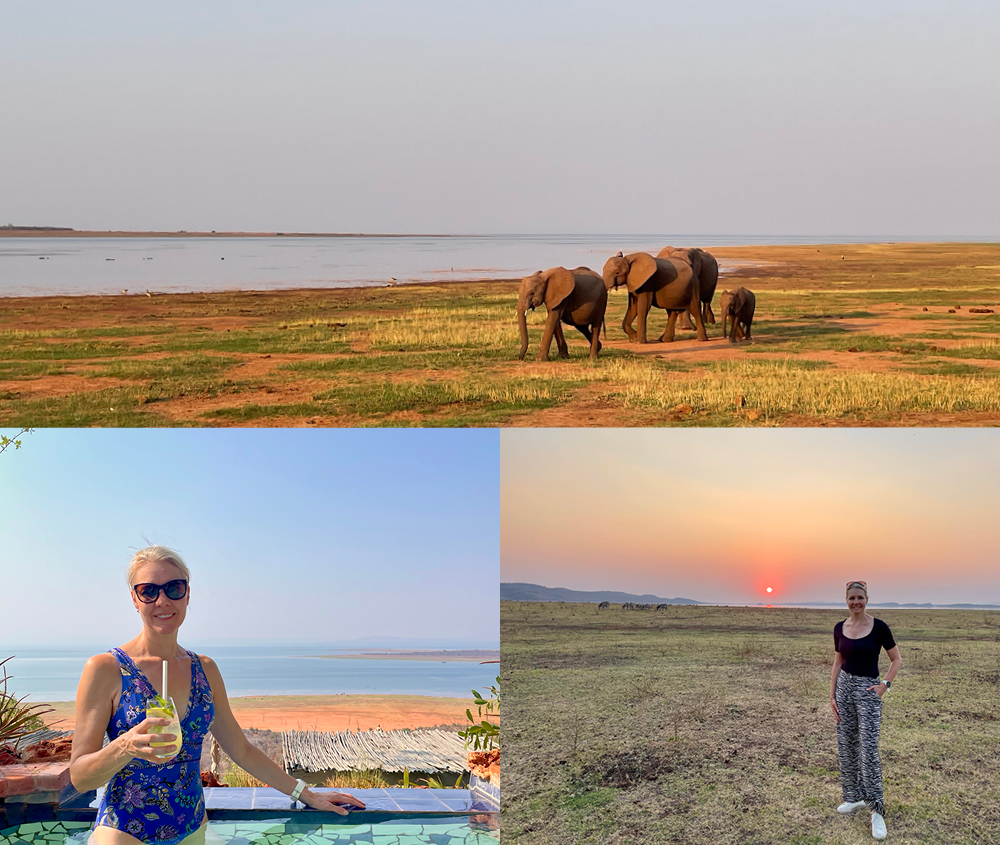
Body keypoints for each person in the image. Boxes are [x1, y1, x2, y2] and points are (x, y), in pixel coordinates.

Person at [70, 546, 365, 845]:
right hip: (123, 833)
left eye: (174, 588)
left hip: (193, 829)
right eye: (148, 591)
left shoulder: (204, 669)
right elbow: (80, 776)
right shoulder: (106, 668)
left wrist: (306, 794)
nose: (162, 600)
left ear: (187, 594)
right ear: (135, 599)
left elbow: (241, 750)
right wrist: (125, 746)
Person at [830, 581, 902, 842]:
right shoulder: (840, 628)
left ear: (867, 599)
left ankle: (876, 809)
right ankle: (853, 797)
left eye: (860, 597)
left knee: (868, 750)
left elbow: (897, 659)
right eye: (851, 598)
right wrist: (832, 695)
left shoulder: (879, 627)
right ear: (846, 600)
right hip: (844, 689)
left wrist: (885, 685)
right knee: (847, 746)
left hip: (868, 690)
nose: (856, 602)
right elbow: (838, 661)